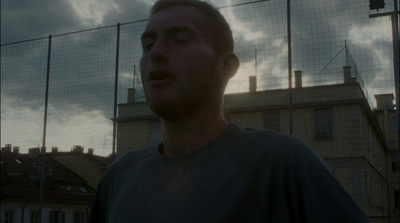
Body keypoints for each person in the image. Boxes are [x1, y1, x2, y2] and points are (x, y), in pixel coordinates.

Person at [88, 0, 370, 222]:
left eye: (179, 38)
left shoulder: (281, 162)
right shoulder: (118, 177)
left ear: (227, 66)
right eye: (148, 44)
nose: (155, 53)